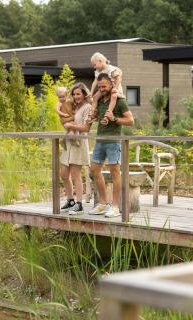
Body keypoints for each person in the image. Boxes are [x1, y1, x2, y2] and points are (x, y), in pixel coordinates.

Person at [89, 73, 134, 218]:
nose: (101, 89)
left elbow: (130, 121)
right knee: (94, 170)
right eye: (100, 86)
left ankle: (115, 206)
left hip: (113, 142)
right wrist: (95, 117)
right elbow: (100, 117)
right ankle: (103, 203)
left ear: (111, 85)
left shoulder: (120, 101)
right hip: (100, 140)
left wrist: (114, 118)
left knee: (115, 173)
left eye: (104, 86)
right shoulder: (100, 101)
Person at [59, 83, 93, 215]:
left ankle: (79, 204)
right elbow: (65, 120)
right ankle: (70, 200)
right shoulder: (72, 106)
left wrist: (72, 126)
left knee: (76, 175)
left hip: (79, 143)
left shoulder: (88, 107)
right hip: (68, 143)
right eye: (74, 94)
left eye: (78, 94)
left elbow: (86, 128)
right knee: (64, 175)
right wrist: (67, 125)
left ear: (84, 94)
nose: (76, 96)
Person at [87, 52, 125, 125]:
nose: (94, 67)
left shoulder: (111, 69)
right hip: (104, 90)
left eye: (95, 64)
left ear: (100, 61)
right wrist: (91, 92)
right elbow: (95, 82)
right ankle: (91, 114)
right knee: (95, 97)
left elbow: (118, 78)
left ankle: (107, 115)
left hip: (114, 87)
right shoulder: (98, 72)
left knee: (114, 96)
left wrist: (116, 88)